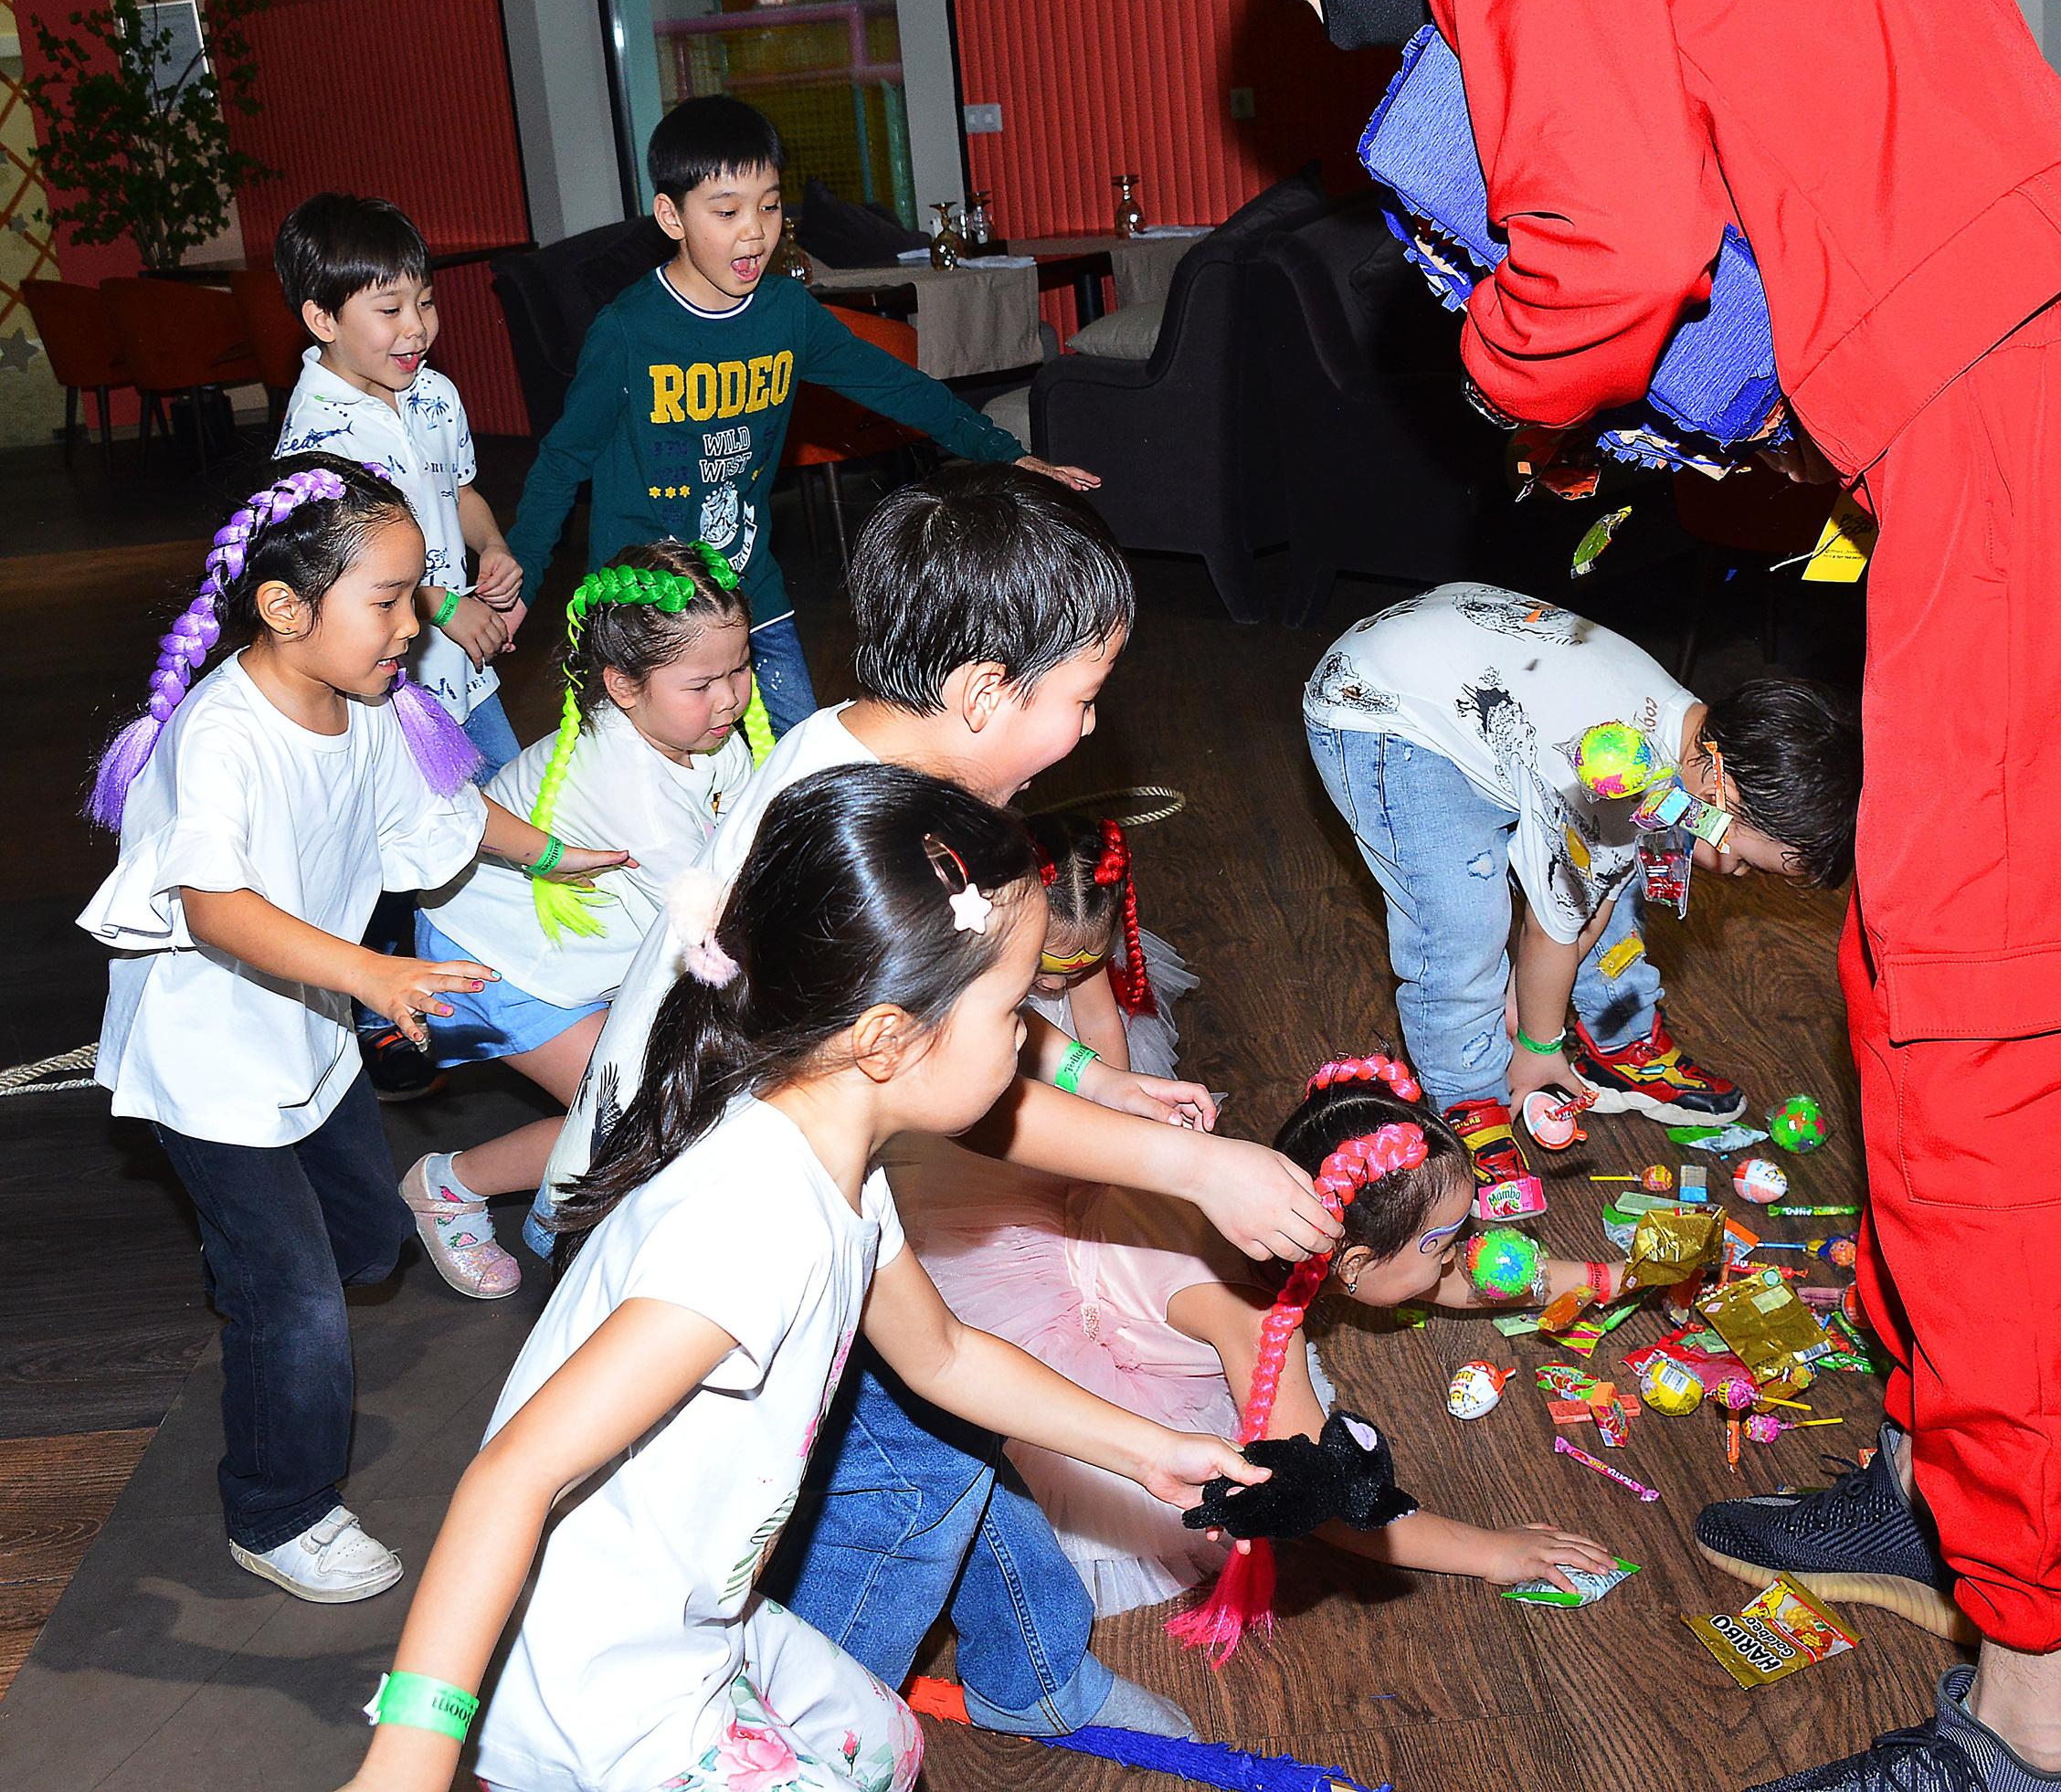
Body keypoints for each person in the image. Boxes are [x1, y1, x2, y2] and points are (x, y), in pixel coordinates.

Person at [1219, 0, 2061, 1791]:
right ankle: (1922, 1476)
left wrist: (1510, 384)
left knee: (1994, 1067)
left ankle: (2042, 1723)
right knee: (1904, 981)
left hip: (2022, 432)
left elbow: (1597, 261)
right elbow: (1786, 234)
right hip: (2024, 408)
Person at [543, 461, 1341, 1744]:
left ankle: (1034, 1669)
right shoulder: (876, 834)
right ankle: (810, 1734)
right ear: (982, 690)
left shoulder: (871, 763)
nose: (1091, 733)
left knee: (944, 1425)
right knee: (905, 1470)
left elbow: (977, 1022)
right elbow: (958, 1082)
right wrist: (1184, 1166)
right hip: (705, 1208)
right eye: (1083, 699)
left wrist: (1093, 1074)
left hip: (785, 1152)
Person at [332, 764, 1267, 1792]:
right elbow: (513, 1472)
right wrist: (408, 1762)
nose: (1027, 1041)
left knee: (886, 1746)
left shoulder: (835, 1168)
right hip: (595, 1686)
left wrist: (1152, 1449)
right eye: (1011, 1010)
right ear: (886, 1038)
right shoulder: (754, 1225)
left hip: (696, 1618)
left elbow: (945, 1355)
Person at [74, 457, 624, 1605]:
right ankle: (279, 1510)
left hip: (308, 1042)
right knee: (300, 1298)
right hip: (212, 1067)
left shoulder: (359, 706)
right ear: (283, 607)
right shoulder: (224, 738)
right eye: (388, 599)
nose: (416, 623)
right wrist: (375, 972)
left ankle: (261, 1280)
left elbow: (442, 810)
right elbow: (217, 906)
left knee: (363, 1249)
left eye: (418, 591)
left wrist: (557, 853)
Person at [890, 1051, 1617, 1624]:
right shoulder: (1257, 1324)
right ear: (1354, 1266)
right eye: (1443, 1244)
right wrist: (1494, 1553)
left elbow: (1449, 1277)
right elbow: (1329, 1505)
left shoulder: (1278, 1189)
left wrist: (1601, 1276)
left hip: (1102, 1221)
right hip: (1063, 1316)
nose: (1463, 1254)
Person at [500, 94, 1099, 735]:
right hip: (646, 610)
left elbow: (899, 387)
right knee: (665, 792)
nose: (755, 230)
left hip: (749, 591)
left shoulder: (787, 313)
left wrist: (1006, 452)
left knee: (795, 758)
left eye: (770, 204)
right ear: (671, 216)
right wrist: (521, 587)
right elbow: (563, 461)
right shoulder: (628, 332)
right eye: (727, 211)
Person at [1304, 582, 1858, 1220]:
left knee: (1612, 873)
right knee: (1459, 922)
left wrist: (1525, 1004)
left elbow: (1590, 900)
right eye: (1739, 857)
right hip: (1377, 712)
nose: (1730, 872)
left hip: (1452, 669)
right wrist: (1537, 1047)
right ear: (1718, 778)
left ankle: (1616, 1040)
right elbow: (1552, 932)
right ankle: (1468, 1098)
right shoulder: (1614, 772)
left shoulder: (1679, 742)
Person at [402, 541, 773, 1295]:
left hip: (589, 945)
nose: (731, 698)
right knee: (627, 1111)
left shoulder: (698, 731)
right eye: (703, 682)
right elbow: (715, 929)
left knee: (668, 1099)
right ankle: (449, 1185)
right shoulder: (629, 785)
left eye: (740, 668)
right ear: (623, 686)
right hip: (501, 958)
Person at [274, 193, 534, 1099]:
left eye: (423, 301)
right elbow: (349, 559)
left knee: (500, 816)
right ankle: (383, 1012)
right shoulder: (320, 430)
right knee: (393, 849)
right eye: (387, 310)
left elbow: (458, 493)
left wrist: (492, 551)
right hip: (386, 680)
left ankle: (509, 983)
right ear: (320, 318)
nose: (415, 325)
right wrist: (441, 599)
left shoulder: (434, 393)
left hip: (459, 667)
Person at [1023, 808, 1198, 1084]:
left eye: (1076, 972)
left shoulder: (1079, 949)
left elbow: (1098, 1020)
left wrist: (1119, 1095)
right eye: (1040, 967)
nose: (1058, 985)